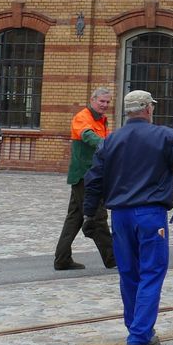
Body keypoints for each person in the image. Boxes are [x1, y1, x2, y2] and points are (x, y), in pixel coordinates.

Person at [83, 90, 173, 345]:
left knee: (128, 273)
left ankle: (135, 327)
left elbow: (94, 180)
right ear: (148, 109)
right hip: (150, 215)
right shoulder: (164, 136)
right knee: (151, 271)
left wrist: (89, 214)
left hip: (120, 216)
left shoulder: (110, 140)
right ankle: (140, 335)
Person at [55, 87, 116, 271]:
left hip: (93, 175)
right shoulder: (82, 117)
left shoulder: (102, 120)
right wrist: (108, 146)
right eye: (102, 101)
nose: (105, 105)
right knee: (98, 217)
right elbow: (88, 136)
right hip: (85, 176)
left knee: (74, 218)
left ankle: (62, 259)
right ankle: (113, 259)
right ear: (92, 100)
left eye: (107, 102)